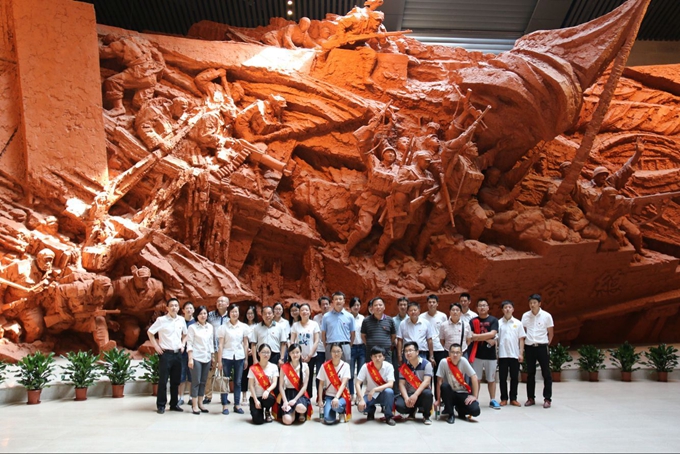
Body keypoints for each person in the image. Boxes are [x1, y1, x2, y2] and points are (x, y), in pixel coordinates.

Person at [147, 297, 188, 414]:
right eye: (172, 306)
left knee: (176, 381)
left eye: (176, 305)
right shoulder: (161, 320)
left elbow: (185, 334)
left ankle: (174, 404)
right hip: (166, 354)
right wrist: (156, 346)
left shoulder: (181, 320)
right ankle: (161, 405)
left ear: (179, 308)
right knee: (163, 380)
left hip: (177, 354)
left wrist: (183, 344)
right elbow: (150, 332)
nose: (174, 308)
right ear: (167, 308)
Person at [521, 294, 554, 409]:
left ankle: (547, 398)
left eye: (534, 302)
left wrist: (547, 343)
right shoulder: (525, 316)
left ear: (539, 303)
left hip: (542, 347)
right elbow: (523, 331)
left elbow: (551, 332)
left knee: (546, 373)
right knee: (530, 373)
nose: (532, 305)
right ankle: (531, 398)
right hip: (529, 347)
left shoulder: (546, 316)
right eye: (530, 303)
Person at [216, 303, 249, 415]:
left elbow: (245, 344)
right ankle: (225, 405)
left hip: (239, 356)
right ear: (229, 313)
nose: (234, 314)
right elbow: (220, 345)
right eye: (232, 312)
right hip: (226, 356)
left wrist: (246, 359)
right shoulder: (223, 327)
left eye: (236, 312)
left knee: (238, 381)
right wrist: (219, 361)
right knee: (225, 381)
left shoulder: (243, 327)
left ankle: (237, 404)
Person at [468, 298, 501, 410]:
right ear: (477, 308)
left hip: (490, 355)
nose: (482, 307)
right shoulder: (473, 321)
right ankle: (475, 399)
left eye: (484, 305)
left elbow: (493, 333)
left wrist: (478, 336)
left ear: (488, 307)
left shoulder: (493, 320)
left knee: (491, 379)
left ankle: (493, 399)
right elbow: (471, 336)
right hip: (476, 354)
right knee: (476, 379)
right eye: (480, 305)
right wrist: (487, 338)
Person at [436, 344, 480, 424]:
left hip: (462, 393)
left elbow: (474, 377)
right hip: (450, 393)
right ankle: (451, 414)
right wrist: (438, 400)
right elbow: (439, 382)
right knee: (444, 386)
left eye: (457, 352)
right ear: (449, 353)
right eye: (453, 352)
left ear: (461, 354)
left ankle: (460, 410)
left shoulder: (463, 361)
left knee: (476, 410)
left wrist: (475, 396)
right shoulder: (444, 362)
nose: (455, 355)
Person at [355, 346, 396, 426]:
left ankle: (388, 417)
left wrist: (375, 389)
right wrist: (361, 399)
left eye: (380, 356)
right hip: (370, 395)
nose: (377, 358)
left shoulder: (389, 366)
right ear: (371, 357)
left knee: (389, 391)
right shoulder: (366, 367)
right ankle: (371, 410)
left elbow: (390, 384)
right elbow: (357, 383)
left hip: (383, 394)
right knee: (361, 408)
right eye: (375, 356)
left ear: (384, 357)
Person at [396, 341, 434, 425]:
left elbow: (427, 381)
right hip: (409, 394)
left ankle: (426, 416)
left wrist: (416, 395)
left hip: (421, 394)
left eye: (410, 350)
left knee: (428, 394)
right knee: (399, 405)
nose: (408, 353)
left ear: (417, 352)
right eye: (406, 351)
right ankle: (411, 411)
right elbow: (401, 384)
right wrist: (406, 398)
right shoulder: (404, 367)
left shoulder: (426, 364)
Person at [186, 306, 214, 415]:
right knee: (196, 381)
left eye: (205, 313)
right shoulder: (192, 327)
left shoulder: (210, 327)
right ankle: (194, 405)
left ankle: (201, 403)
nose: (203, 316)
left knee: (203, 381)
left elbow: (211, 342)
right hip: (196, 357)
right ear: (196, 315)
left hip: (207, 357)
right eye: (201, 314)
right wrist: (190, 358)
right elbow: (189, 343)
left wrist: (212, 356)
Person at [498, 300, 526, 407]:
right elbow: (496, 340)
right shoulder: (498, 323)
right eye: (505, 307)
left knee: (514, 378)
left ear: (513, 309)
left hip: (514, 354)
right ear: (502, 310)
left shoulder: (518, 323)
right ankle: (504, 398)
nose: (507, 309)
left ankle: (513, 398)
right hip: (502, 355)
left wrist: (521, 353)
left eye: (509, 307)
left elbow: (521, 339)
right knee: (502, 378)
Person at [290, 303, 320, 398]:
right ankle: (297, 396)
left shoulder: (314, 324)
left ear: (310, 312)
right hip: (297, 356)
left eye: (306, 310)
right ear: (299, 312)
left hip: (311, 356)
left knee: (309, 377)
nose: (304, 312)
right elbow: (292, 341)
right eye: (302, 310)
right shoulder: (295, 325)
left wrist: (309, 355)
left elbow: (316, 341)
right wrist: (298, 354)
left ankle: (308, 397)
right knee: (298, 376)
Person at [317, 343, 351, 425]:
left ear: (342, 352)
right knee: (328, 420)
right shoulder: (325, 366)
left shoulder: (345, 366)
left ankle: (341, 411)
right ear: (330, 353)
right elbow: (321, 384)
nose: (336, 354)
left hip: (342, 395)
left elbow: (343, 384)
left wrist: (336, 398)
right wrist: (320, 399)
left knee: (336, 405)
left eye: (338, 351)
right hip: (329, 396)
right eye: (334, 351)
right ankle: (332, 411)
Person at [278, 343, 312, 424]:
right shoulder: (284, 367)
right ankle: (293, 412)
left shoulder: (305, 366)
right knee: (287, 421)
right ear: (289, 354)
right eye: (292, 352)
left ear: (300, 353)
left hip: (300, 394)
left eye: (297, 352)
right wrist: (285, 401)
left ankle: (299, 412)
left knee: (300, 408)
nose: (295, 355)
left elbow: (304, 386)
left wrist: (295, 400)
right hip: (288, 393)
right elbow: (281, 386)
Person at [204, 296, 229, 404]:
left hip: (226, 350)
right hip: (213, 349)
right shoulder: (210, 316)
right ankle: (208, 396)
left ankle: (224, 396)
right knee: (209, 373)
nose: (219, 303)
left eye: (222, 301)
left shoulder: (231, 316)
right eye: (218, 301)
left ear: (227, 304)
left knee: (225, 374)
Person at [248, 343, 279, 424]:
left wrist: (268, 390)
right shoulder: (253, 368)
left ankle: (267, 410)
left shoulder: (274, 367)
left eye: (268, 352)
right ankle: (259, 411)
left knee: (269, 399)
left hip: (267, 396)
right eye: (263, 352)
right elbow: (251, 385)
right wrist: (255, 400)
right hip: (256, 397)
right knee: (258, 421)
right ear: (259, 353)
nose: (266, 354)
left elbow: (275, 383)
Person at [320, 292, 355, 362]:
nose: (338, 301)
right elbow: (323, 334)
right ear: (332, 301)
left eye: (340, 299)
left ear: (344, 301)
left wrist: (348, 346)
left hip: (345, 345)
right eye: (336, 299)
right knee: (330, 366)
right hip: (330, 345)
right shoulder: (326, 316)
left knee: (345, 366)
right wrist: (326, 346)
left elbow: (353, 334)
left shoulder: (350, 316)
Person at [361, 297, 396, 364]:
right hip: (371, 354)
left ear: (384, 307)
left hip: (386, 354)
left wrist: (387, 343)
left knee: (386, 369)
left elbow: (393, 335)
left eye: (380, 305)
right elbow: (363, 335)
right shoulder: (366, 321)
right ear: (372, 308)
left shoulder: (390, 320)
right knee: (371, 370)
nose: (378, 307)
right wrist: (369, 344)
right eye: (375, 305)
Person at [420, 294, 448, 366]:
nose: (431, 304)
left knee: (440, 369)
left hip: (439, 348)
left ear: (437, 304)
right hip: (426, 348)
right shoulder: (421, 317)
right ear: (427, 304)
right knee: (427, 369)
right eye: (429, 302)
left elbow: (445, 332)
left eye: (433, 302)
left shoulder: (443, 316)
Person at [349, 297, 365, 403]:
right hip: (351, 347)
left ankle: (359, 395)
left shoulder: (363, 318)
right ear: (350, 307)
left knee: (361, 373)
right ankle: (351, 395)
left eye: (358, 305)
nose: (356, 307)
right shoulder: (347, 317)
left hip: (362, 347)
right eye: (354, 305)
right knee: (350, 373)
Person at [312, 296, 331, 394]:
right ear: (319, 306)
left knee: (330, 371)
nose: (325, 306)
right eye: (323, 304)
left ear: (330, 305)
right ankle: (319, 394)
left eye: (327, 304)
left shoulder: (333, 316)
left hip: (330, 348)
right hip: (319, 349)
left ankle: (329, 393)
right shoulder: (316, 318)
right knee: (319, 372)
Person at [178, 301, 195, 406]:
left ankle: (191, 397)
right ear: (183, 310)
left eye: (191, 308)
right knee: (181, 375)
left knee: (192, 376)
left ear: (193, 310)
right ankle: (181, 397)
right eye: (187, 308)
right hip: (182, 352)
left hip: (193, 353)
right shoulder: (180, 322)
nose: (189, 310)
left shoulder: (196, 322)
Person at [241, 305, 258, 404]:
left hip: (256, 352)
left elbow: (259, 340)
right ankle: (244, 396)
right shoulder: (242, 326)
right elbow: (242, 340)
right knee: (245, 374)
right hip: (245, 351)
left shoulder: (258, 325)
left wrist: (254, 350)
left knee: (255, 375)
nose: (250, 315)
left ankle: (254, 395)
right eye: (248, 313)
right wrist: (246, 350)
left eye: (252, 313)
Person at [392, 297, 408, 367]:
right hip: (396, 349)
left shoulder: (410, 320)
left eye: (404, 305)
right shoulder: (393, 320)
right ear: (398, 306)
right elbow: (393, 335)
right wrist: (399, 347)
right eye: (401, 305)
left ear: (407, 306)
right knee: (397, 369)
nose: (403, 307)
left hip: (408, 349)